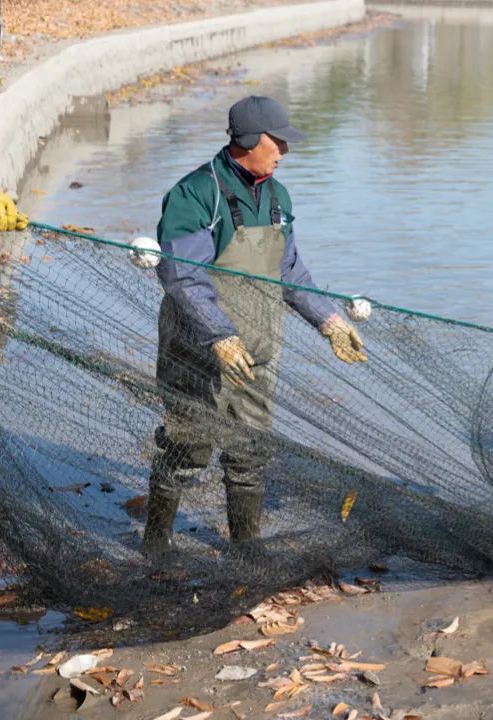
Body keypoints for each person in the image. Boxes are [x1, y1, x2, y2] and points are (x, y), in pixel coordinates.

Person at [144, 95, 366, 558]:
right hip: (198, 349)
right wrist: (219, 335)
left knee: (250, 450)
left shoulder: (277, 196)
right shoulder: (196, 194)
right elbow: (182, 275)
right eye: (277, 141)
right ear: (248, 140)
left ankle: (247, 549)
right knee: (189, 447)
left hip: (259, 350)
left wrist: (329, 321)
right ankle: (156, 542)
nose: (285, 150)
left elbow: (290, 271)